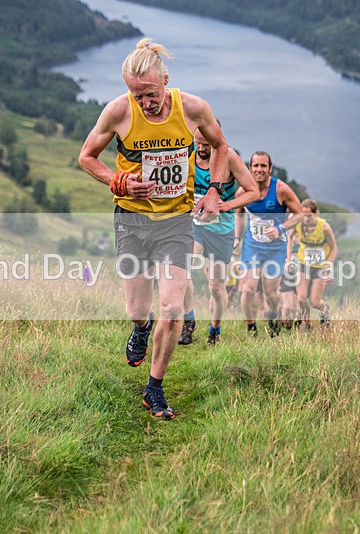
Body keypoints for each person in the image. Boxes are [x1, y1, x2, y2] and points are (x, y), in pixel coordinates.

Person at [78, 37, 229, 420]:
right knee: (137, 308)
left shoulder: (193, 108)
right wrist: (119, 181)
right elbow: (86, 157)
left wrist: (213, 191)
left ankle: (154, 388)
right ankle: (141, 329)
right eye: (136, 94)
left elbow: (221, 147)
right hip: (131, 221)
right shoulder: (118, 112)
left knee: (173, 306)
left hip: (176, 222)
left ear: (166, 80)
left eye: (149, 93)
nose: (144, 102)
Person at [179, 126, 257, 346]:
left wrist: (226, 205)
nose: (201, 148)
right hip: (194, 224)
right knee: (181, 267)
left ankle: (215, 328)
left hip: (221, 230)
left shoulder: (229, 157)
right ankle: (188, 320)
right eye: (198, 143)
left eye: (206, 144)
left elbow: (253, 192)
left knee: (216, 286)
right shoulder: (189, 152)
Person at [235, 151, 302, 337]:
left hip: (276, 248)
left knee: (271, 294)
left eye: (263, 166)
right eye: (255, 165)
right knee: (248, 289)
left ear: (270, 168)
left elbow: (299, 214)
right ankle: (251, 327)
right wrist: (236, 237)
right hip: (252, 246)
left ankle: (272, 317)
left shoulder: (281, 189)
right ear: (250, 168)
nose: (259, 169)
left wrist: (280, 228)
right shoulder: (243, 190)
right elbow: (238, 212)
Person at [293, 198, 337, 329]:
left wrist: (329, 267)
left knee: (315, 302)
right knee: (301, 299)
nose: (306, 219)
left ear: (316, 213)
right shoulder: (298, 224)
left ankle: (324, 310)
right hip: (303, 264)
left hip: (320, 266)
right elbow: (290, 238)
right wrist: (289, 258)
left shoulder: (324, 227)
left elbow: (333, 248)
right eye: (304, 215)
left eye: (309, 216)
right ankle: (307, 324)